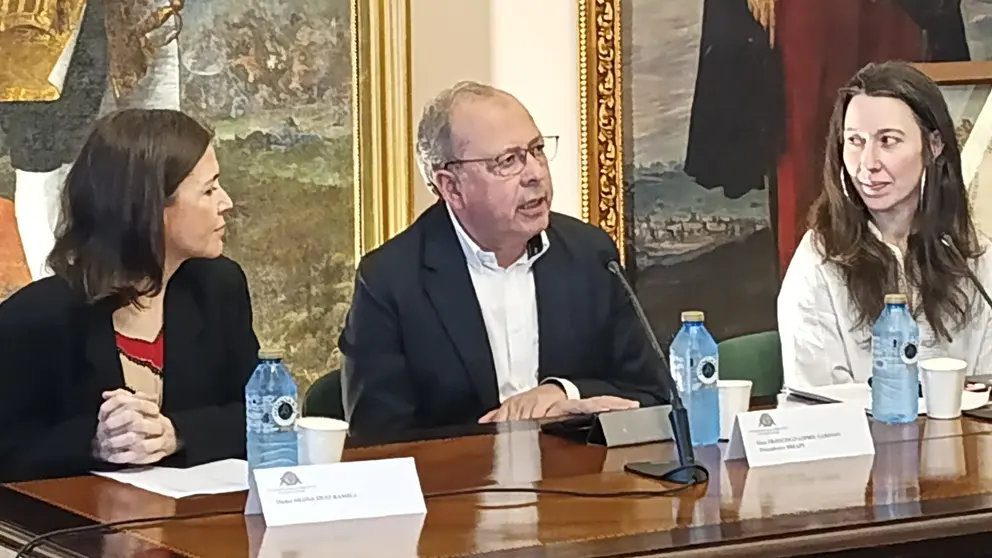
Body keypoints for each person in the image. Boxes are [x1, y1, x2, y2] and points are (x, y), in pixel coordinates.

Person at [338, 81, 667, 434]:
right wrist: (502, 431)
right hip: (461, 486)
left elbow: (654, 395)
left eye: (537, 150)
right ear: (451, 187)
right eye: (508, 160)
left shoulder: (590, 255)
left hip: (581, 481)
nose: (536, 174)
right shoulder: (390, 280)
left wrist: (563, 393)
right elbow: (379, 441)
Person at [0, 109, 260, 483]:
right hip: (72, 532)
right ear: (151, 208)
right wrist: (95, 442)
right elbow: (9, 449)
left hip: (194, 525)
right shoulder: (36, 318)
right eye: (208, 190)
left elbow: (260, 414)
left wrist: (175, 433)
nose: (226, 202)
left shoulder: (218, 286)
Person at [778, 61, 992, 388]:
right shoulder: (820, 259)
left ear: (933, 146)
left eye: (887, 141)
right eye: (855, 141)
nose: (868, 164)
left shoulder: (975, 256)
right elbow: (817, 402)